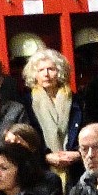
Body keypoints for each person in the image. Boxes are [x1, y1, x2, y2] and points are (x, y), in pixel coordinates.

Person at [21, 48, 80, 176]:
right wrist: (45, 156)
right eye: (41, 70)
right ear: (34, 74)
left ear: (60, 72)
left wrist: (78, 153)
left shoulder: (77, 101)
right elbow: (26, 138)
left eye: (51, 69)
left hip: (75, 168)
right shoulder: (26, 103)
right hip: (41, 170)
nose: (46, 74)